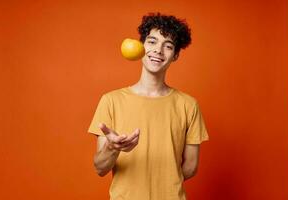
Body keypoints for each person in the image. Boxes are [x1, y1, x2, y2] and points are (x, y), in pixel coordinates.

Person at [88, 12, 209, 200]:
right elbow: (100, 168)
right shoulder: (111, 101)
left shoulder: (189, 105)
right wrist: (113, 148)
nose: (158, 50)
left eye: (168, 46)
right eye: (152, 42)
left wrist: (165, 185)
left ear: (176, 55)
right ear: (141, 46)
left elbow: (191, 167)